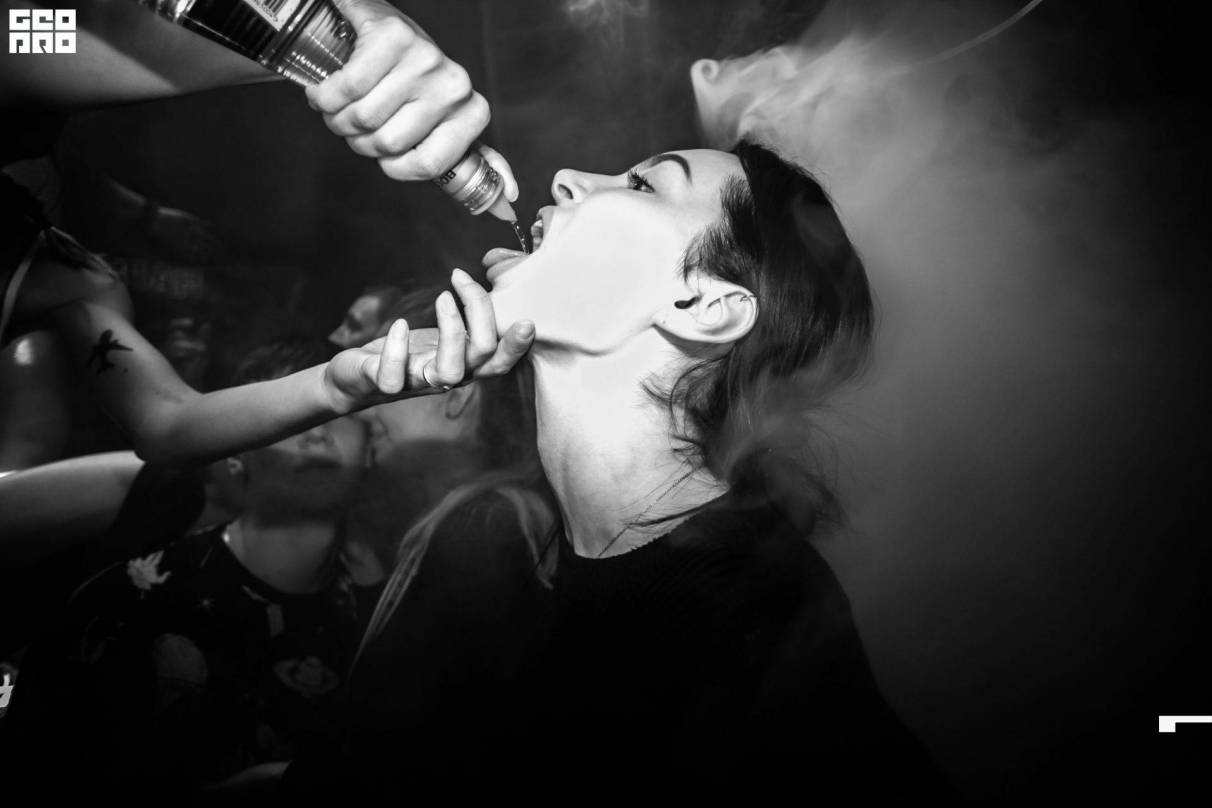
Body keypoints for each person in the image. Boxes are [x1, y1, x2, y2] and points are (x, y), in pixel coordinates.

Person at [285, 141, 954, 801]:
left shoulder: (754, 626)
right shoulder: (490, 545)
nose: (567, 177)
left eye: (643, 185)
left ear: (703, 306)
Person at [0, 337, 380, 803]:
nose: (319, 433)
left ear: (371, 450)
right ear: (238, 448)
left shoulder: (375, 627)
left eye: (343, 415)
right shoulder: (138, 594)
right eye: (302, 417)